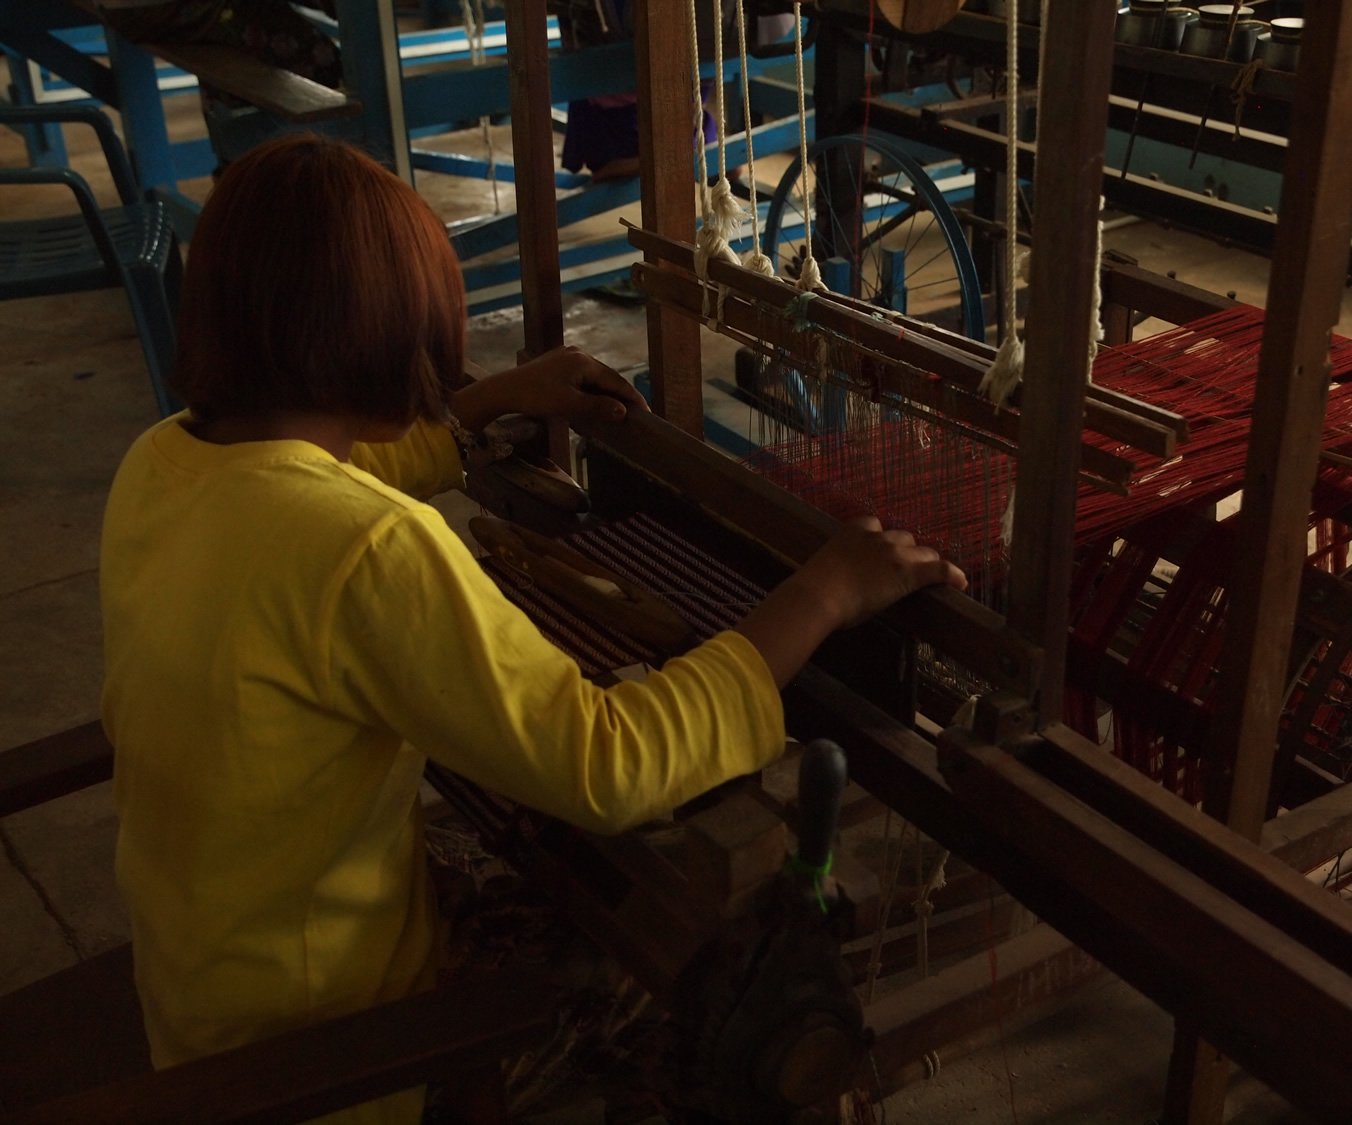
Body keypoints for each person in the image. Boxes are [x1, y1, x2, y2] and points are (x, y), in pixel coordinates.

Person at [99, 134, 966, 1125]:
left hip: (206, 999)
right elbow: (610, 763)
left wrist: (491, 401)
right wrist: (823, 595)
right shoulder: (370, 549)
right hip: (325, 1066)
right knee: (670, 981)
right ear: (372, 341)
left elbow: (311, 482)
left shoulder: (162, 462)